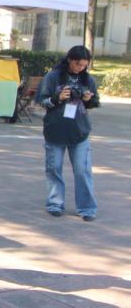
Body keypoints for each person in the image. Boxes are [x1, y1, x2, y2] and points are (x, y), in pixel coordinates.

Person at [37, 45, 100, 221]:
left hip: (79, 131)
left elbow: (94, 102)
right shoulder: (53, 77)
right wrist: (57, 98)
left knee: (82, 170)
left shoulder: (88, 79)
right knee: (54, 168)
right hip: (55, 130)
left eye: (84, 65)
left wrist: (89, 99)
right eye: (78, 64)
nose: (81, 68)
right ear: (70, 60)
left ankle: (87, 208)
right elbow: (41, 101)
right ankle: (55, 203)